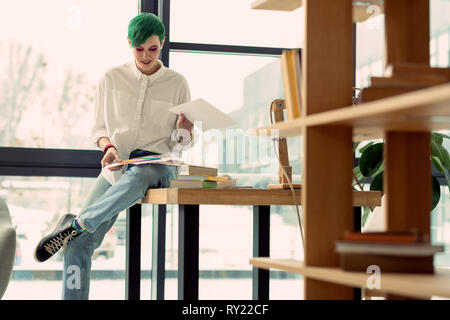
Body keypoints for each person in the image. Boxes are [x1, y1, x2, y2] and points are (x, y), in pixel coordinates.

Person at [33, 13, 193, 300]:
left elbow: (180, 145)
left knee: (142, 173)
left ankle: (79, 223)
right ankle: (77, 237)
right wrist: (108, 148)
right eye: (139, 49)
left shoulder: (177, 83)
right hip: (119, 167)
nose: (146, 56)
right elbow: (99, 128)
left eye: (153, 49)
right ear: (130, 43)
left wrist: (183, 131)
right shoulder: (111, 78)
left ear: (163, 45)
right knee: (77, 246)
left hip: (158, 166)